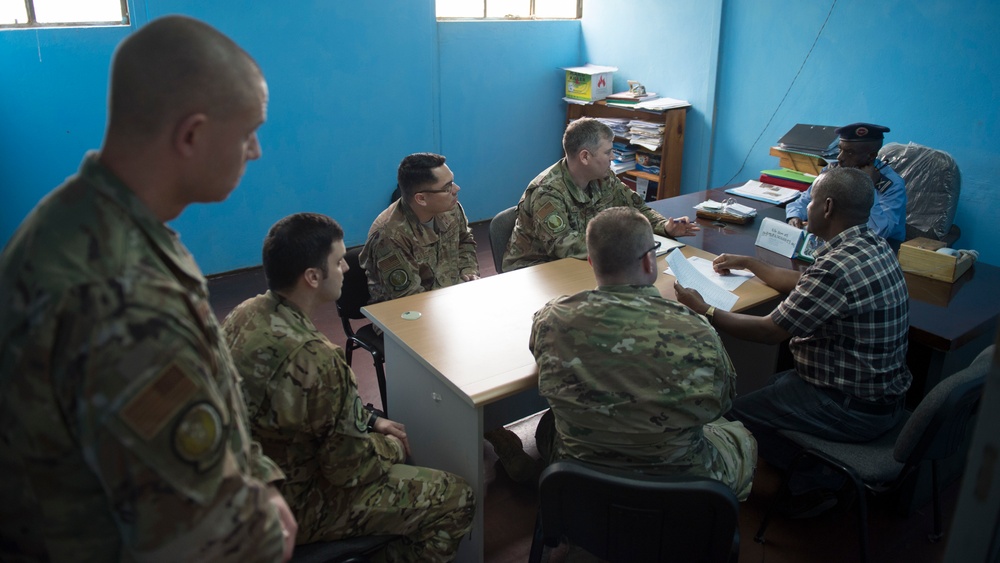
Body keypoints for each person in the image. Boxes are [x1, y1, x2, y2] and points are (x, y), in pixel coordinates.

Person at [0, 15, 297, 561]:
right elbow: (203, 543)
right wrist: (266, 525)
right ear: (192, 134)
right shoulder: (119, 297)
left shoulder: (86, 218)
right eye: (248, 132)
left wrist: (257, 482)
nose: (254, 151)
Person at [222, 213, 475, 562]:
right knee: (456, 496)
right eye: (339, 261)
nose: (345, 269)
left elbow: (306, 405)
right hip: (295, 501)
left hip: (248, 482)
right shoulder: (318, 359)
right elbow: (350, 469)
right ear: (312, 277)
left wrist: (370, 420)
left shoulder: (245, 314)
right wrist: (390, 447)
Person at [675, 166, 911, 517]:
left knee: (731, 413)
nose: (807, 208)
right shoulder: (870, 245)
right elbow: (805, 281)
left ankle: (815, 482)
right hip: (882, 397)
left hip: (850, 408)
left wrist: (705, 308)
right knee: (773, 385)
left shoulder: (836, 268)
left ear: (827, 207)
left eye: (811, 201)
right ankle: (811, 471)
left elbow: (770, 332)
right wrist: (752, 264)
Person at [530, 207, 757, 500]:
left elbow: (543, 361)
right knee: (742, 438)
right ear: (650, 261)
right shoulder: (696, 330)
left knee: (549, 424)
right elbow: (723, 401)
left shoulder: (552, 319)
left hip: (582, 481)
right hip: (681, 487)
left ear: (590, 261)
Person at [502, 117, 699, 272]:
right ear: (585, 156)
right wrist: (619, 247)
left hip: (583, 261)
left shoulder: (604, 177)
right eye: (608, 152)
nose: (613, 157)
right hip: (534, 271)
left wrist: (664, 226)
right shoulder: (547, 192)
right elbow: (563, 245)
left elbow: (636, 208)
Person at [360, 152, 479, 303]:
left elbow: (464, 241)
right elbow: (410, 298)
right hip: (408, 314)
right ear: (421, 198)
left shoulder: (450, 209)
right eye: (447, 187)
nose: (457, 189)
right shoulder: (390, 236)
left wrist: (469, 270)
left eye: (452, 182)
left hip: (449, 299)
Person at [786, 122, 907, 241]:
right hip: (838, 239)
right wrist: (794, 215)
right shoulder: (833, 171)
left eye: (850, 153)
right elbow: (806, 199)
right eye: (840, 150)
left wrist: (868, 185)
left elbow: (879, 233)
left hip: (882, 247)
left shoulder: (891, 185)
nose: (840, 158)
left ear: (871, 156)